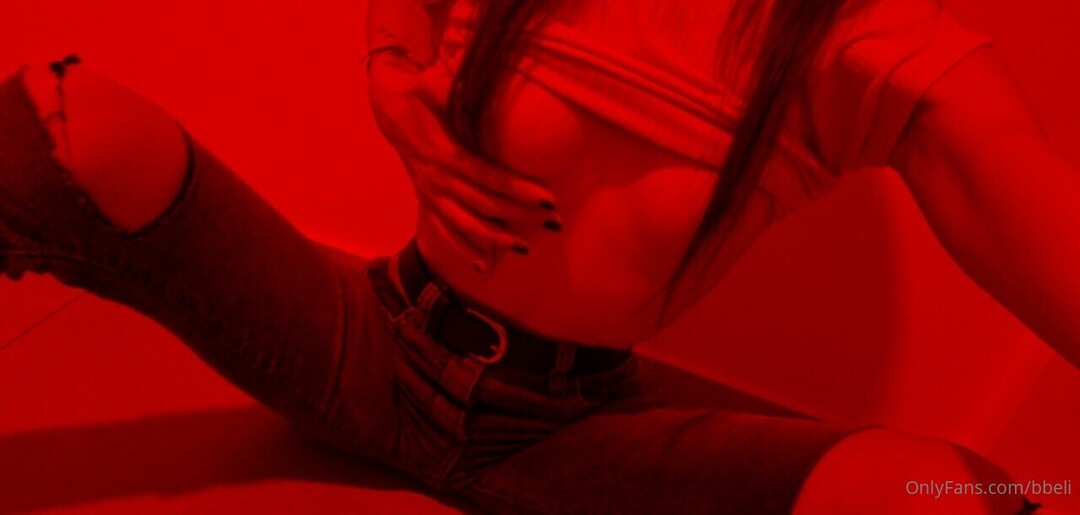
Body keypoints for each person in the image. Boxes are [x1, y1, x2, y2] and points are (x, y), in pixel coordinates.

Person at [1, 0, 1075, 512]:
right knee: (56, 119)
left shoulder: (878, 47)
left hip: (572, 435)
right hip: (365, 340)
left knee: (954, 496)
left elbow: (1030, 204)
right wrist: (386, 71)